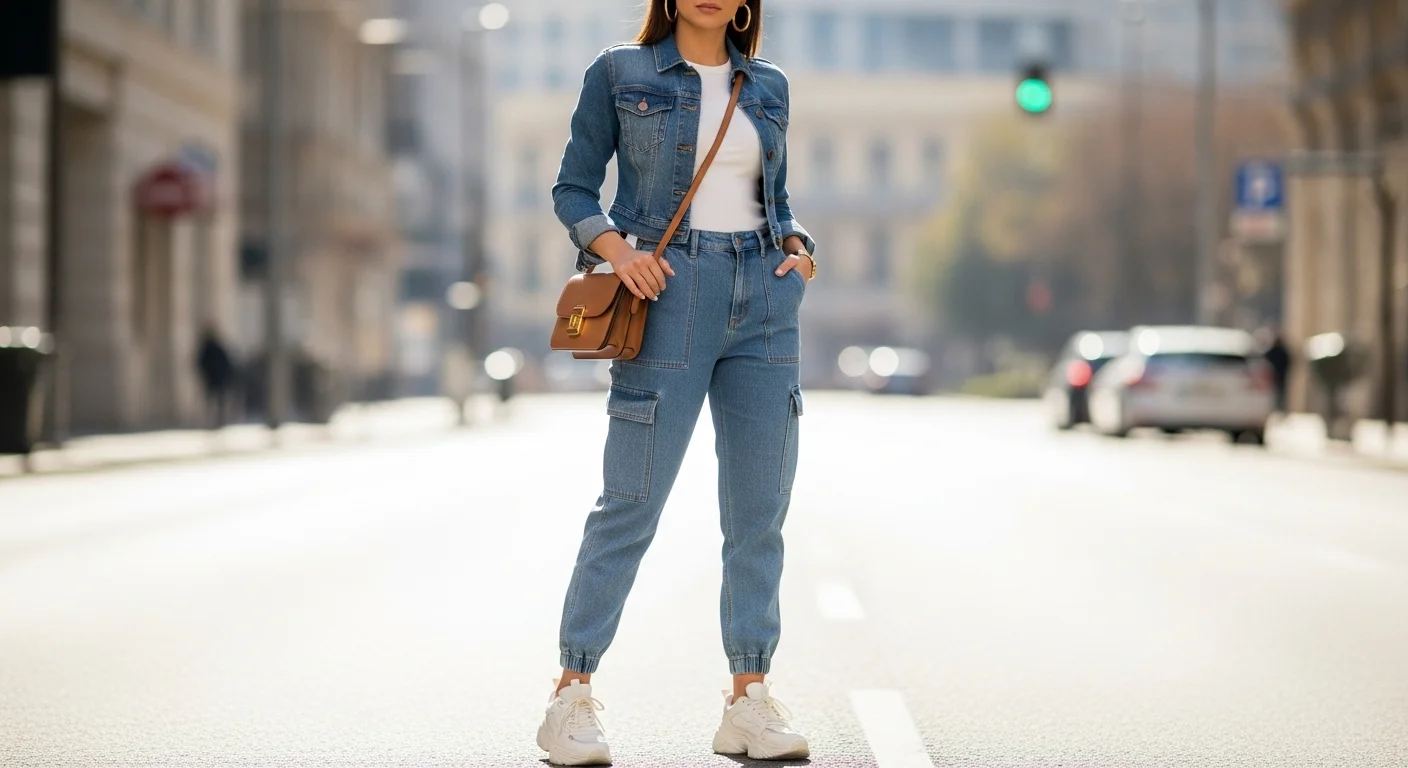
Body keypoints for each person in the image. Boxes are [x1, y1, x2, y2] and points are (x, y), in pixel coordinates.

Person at [537, 1, 816, 764]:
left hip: (764, 296)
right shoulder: (620, 72)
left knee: (759, 512)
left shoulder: (770, 85)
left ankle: (748, 701)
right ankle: (571, 695)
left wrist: (797, 248)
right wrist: (618, 252)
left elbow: (775, 197)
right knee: (630, 504)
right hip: (667, 293)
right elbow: (572, 189)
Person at [196, 325, 236, 429]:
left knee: (215, 401)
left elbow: (226, 363)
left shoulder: (212, 348)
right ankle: (215, 421)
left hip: (215, 378)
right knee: (215, 401)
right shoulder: (209, 349)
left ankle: (216, 421)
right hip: (214, 378)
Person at [1264, 328, 1291, 414]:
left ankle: (1280, 409)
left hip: (1280, 375)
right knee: (1276, 394)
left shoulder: (1281, 351)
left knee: (1280, 394)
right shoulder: (1276, 351)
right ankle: (1277, 409)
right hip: (1275, 376)